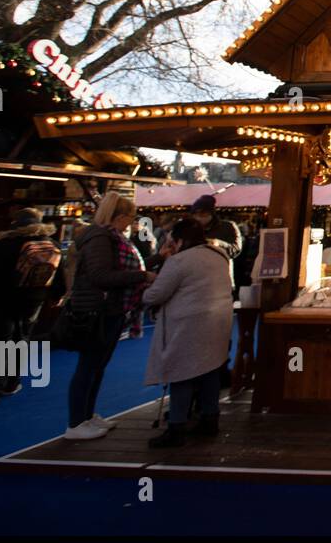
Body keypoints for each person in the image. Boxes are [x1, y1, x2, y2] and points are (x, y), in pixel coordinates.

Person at [64, 192, 153, 440]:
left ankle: (87, 415)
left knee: (97, 365)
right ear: (120, 216)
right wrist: (141, 277)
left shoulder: (109, 237)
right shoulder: (101, 239)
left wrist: (155, 261)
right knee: (89, 365)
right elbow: (101, 275)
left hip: (110, 308)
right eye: (130, 217)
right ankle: (75, 421)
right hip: (97, 309)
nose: (132, 223)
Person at [142, 217, 237, 448]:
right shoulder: (219, 256)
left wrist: (147, 289)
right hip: (218, 321)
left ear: (179, 240)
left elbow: (155, 295)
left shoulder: (179, 261)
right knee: (211, 371)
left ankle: (177, 426)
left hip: (187, 325)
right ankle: (209, 418)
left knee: (181, 374)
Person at [0, 208, 64, 410]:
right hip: (33, 303)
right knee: (21, 340)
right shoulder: (52, 244)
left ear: (15, 224)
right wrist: (56, 296)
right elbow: (58, 275)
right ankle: (12, 383)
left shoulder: (2, 245)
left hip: (1, 302)